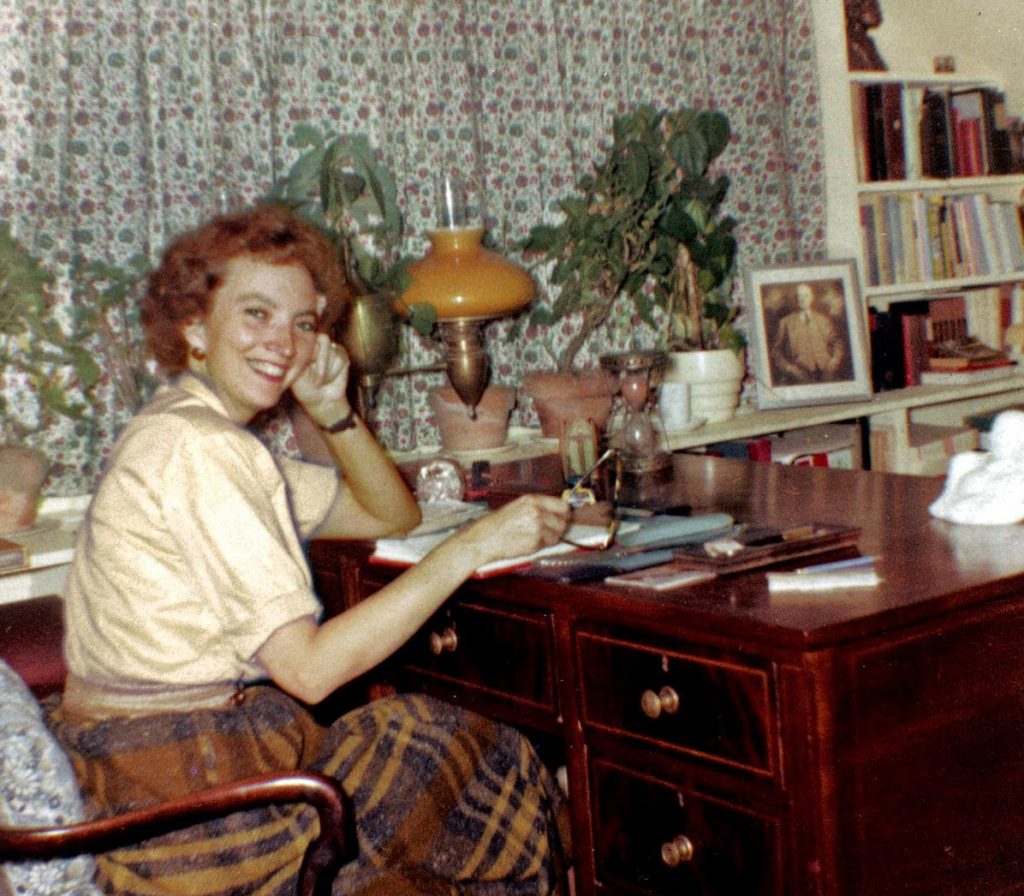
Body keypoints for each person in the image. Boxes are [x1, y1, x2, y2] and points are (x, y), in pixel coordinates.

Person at [48, 204, 571, 896]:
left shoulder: (186, 426)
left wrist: (333, 412)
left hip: (166, 752)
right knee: (483, 764)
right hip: (181, 793)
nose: (284, 343)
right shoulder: (206, 451)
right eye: (256, 314)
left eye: (302, 322)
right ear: (194, 325)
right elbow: (312, 674)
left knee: (444, 739)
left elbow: (389, 511)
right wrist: (472, 546)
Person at [771, 283, 846, 385]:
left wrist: (833, 363)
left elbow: (838, 344)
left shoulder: (823, 320)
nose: (802, 299)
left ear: (811, 298)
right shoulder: (785, 322)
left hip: (827, 373)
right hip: (799, 376)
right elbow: (776, 351)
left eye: (806, 295)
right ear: (795, 299)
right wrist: (790, 368)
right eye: (799, 296)